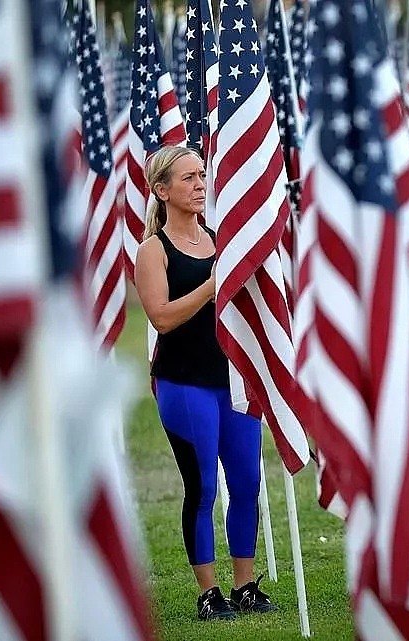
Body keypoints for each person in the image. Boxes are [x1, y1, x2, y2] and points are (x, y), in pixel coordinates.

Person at [135, 146, 276, 621]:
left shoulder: (221, 239)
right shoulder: (153, 249)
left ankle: (244, 587)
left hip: (231, 382)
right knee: (202, 489)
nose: (200, 185)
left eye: (202, 176)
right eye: (189, 178)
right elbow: (161, 316)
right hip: (183, 384)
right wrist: (212, 286)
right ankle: (208, 593)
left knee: (247, 481)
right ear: (162, 190)